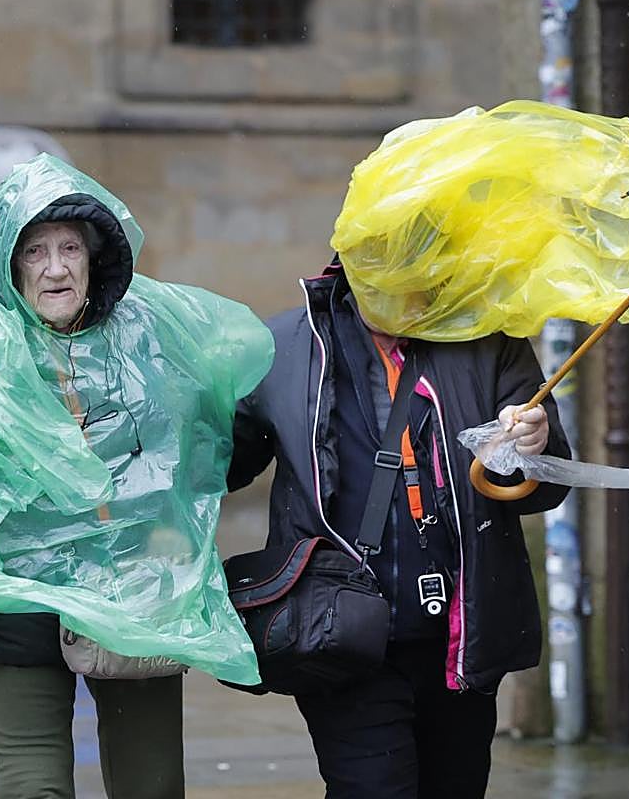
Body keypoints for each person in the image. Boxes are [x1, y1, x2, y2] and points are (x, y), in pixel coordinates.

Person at [0, 156, 272, 799]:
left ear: (93, 257)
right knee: (32, 787)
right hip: (12, 599)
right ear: (9, 263)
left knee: (151, 786)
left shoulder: (151, 333)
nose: (55, 268)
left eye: (70, 248)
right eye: (36, 251)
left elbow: (217, 434)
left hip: (136, 595)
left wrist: (178, 539)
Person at [228, 259, 571, 798]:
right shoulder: (285, 347)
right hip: (338, 633)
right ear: (349, 262)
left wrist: (534, 445)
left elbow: (546, 488)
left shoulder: (487, 340)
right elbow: (220, 464)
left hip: (461, 637)